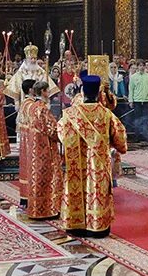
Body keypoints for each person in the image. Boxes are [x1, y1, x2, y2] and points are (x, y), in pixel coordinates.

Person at [58, 74, 127, 238]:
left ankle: (75, 225)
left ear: (82, 91)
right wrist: (118, 148)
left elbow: (60, 132)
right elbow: (120, 137)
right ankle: (97, 226)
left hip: (76, 161)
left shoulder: (70, 113)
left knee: (76, 189)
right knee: (97, 190)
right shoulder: (106, 114)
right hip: (99, 162)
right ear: (97, 94)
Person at [17, 80, 61, 220]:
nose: (49, 94)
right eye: (48, 91)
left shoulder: (31, 106)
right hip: (44, 147)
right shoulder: (41, 108)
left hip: (34, 146)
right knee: (47, 177)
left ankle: (36, 208)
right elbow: (52, 130)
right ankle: (48, 209)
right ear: (43, 91)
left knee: (38, 177)